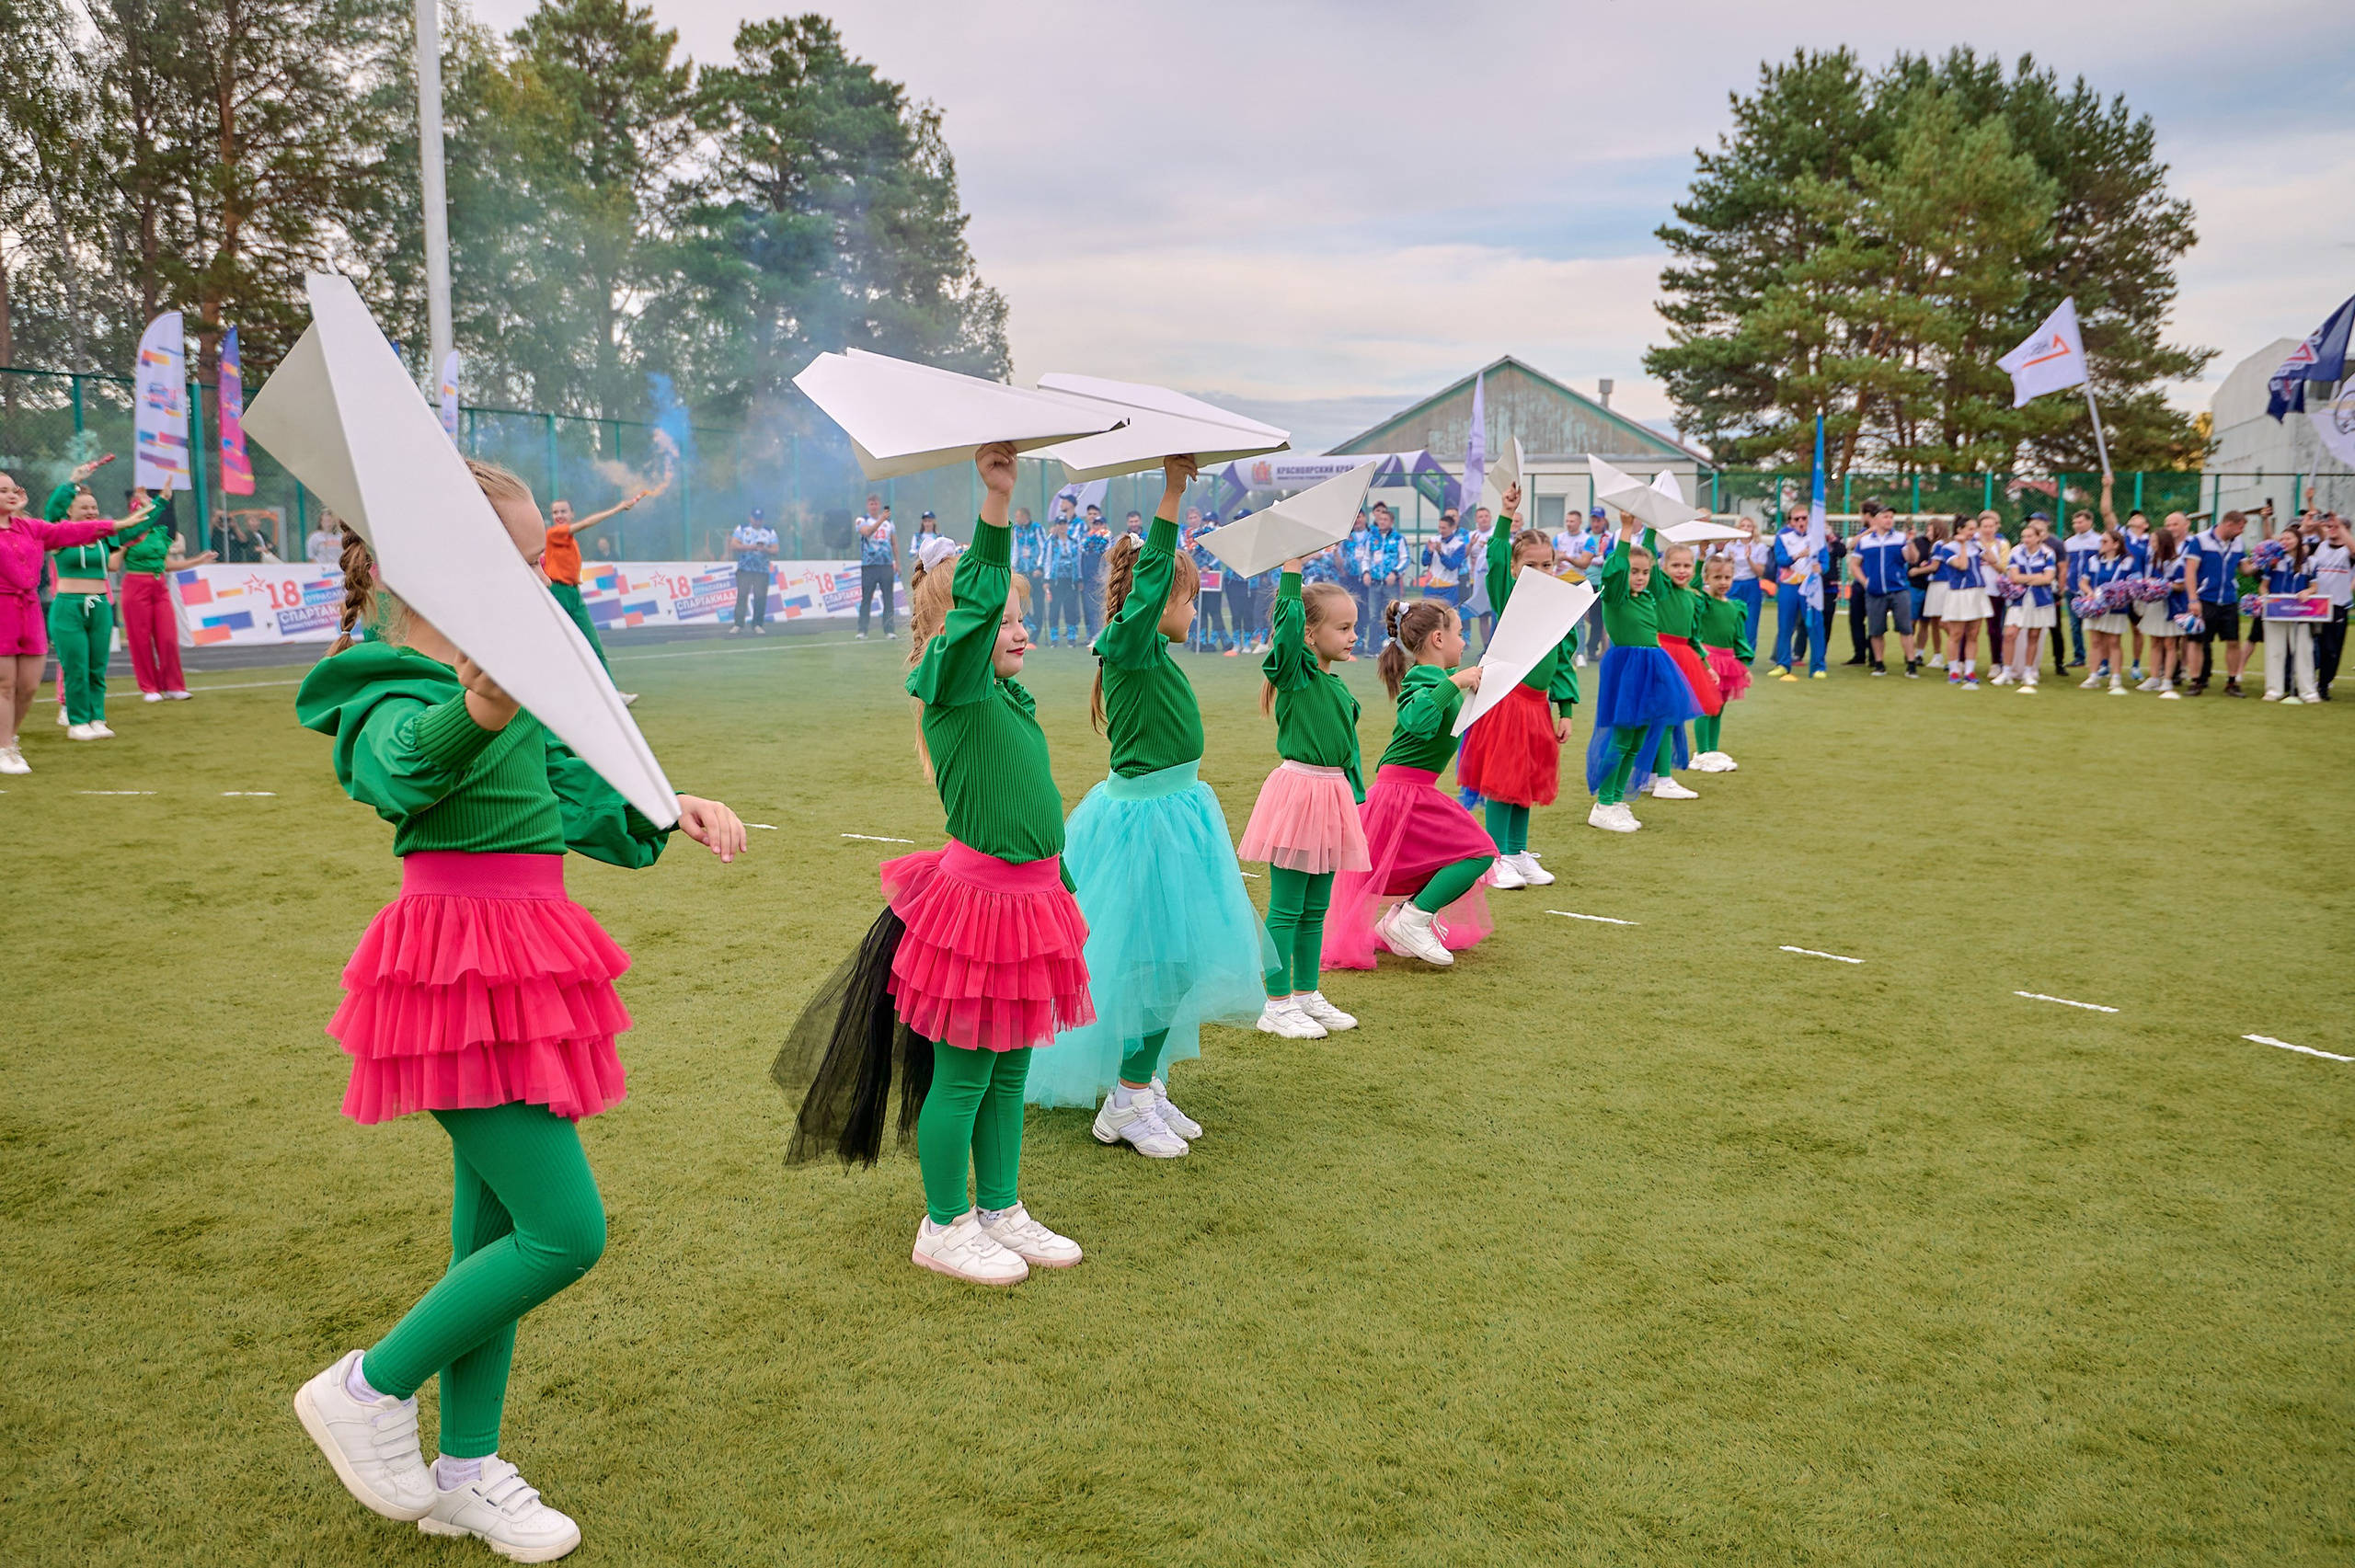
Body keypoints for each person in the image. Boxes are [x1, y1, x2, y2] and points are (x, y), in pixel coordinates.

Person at [291, 459, 745, 1562]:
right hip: (453, 964)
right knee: (563, 1230)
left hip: (530, 953)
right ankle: (366, 1387)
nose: (537, 571)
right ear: (430, 563)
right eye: (517, 553)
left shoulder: (525, 667)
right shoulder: (380, 674)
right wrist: (480, 702)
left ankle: (465, 1469)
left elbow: (580, 791)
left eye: (540, 552)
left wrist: (662, 802)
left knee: (491, 1232)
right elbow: (400, 769)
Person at [775, 442, 1089, 1288]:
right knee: (964, 1071)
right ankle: (943, 1222)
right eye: (1004, 618)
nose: (1019, 627)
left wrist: (1058, 879)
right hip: (978, 907)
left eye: (1024, 617)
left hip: (1029, 902)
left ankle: (1000, 1207)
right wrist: (995, 503)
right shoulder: (948, 684)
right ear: (960, 629)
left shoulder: (1007, 694)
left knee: (1011, 1064)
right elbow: (979, 599)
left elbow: (1030, 802)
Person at [1028, 458, 1271, 1150]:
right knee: (1160, 962)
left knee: (1177, 958)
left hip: (1177, 814)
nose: (1193, 611)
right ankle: (1128, 1100)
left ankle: (1144, 1080)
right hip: (1147, 825)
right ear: (1156, 600)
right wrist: (1170, 495)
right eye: (1187, 599)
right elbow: (1154, 573)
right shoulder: (1130, 648)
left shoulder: (1152, 655)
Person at [1321, 600, 1491, 969]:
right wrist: (1457, 682)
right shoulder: (1423, 678)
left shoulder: (1436, 680)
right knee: (1479, 852)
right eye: (1460, 634)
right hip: (1403, 790)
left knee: (1452, 857)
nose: (1465, 643)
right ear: (1438, 638)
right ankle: (1413, 919)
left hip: (1415, 788)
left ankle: (1400, 919)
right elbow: (1416, 718)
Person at [1238, 562, 1365, 1039]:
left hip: (1331, 796)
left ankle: (1307, 993)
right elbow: (1285, 634)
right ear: (1309, 634)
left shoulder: (1335, 683)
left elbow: (1346, 753)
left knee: (1317, 906)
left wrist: (1351, 798)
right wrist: (1292, 571)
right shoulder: (1296, 673)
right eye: (1343, 627)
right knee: (1288, 906)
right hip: (1300, 794)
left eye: (1354, 626)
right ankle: (1275, 1002)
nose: (1354, 635)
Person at [1454, 483, 1577, 887]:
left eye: (1549, 565)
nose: (1542, 573)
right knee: (1502, 782)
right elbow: (1495, 554)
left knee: (1525, 782)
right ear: (1514, 568)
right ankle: (1496, 857)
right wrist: (1505, 514)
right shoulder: (1508, 594)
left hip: (1537, 707)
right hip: (1506, 702)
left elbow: (1562, 665)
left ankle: (1518, 851)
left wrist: (1566, 711)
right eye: (1532, 565)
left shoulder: (1562, 607)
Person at [0, 470, 131, 773]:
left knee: (29, 686)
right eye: (2, 490)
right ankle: (5, 747)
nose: (10, 493)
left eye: (13, 489)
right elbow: (57, 513)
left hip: (29, 609)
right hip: (3, 608)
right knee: (5, 684)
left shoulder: (30, 528)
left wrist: (119, 524)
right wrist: (71, 482)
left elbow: (72, 532)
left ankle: (9, 738)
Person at [1584, 515, 1703, 830]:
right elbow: (1615, 570)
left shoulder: (1649, 596)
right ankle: (1603, 804)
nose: (1639, 577)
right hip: (1629, 671)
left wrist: (1652, 527)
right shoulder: (1615, 596)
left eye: (1645, 572)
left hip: (1653, 668)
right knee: (1621, 738)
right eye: (1634, 572)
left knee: (1638, 740)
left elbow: (1656, 562)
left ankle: (1617, 798)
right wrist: (1625, 531)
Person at [41, 474, 154, 739]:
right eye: (84, 507)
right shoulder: (58, 534)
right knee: (76, 666)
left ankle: (97, 718)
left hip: (101, 605)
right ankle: (78, 722)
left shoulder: (104, 537)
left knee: (97, 666)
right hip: (69, 607)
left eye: (94, 507)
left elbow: (136, 528)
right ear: (69, 511)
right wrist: (71, 483)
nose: (91, 512)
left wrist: (158, 503)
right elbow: (52, 510)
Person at [117, 486, 214, 701]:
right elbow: (113, 564)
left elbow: (166, 564)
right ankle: (149, 688)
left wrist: (197, 560)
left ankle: (174, 685)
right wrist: (121, 544)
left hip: (159, 586)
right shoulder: (126, 534)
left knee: (168, 637)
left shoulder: (159, 533)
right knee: (140, 640)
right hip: (135, 587)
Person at [1643, 538, 1717, 802]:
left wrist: (1706, 665)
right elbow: (1648, 554)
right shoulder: (1661, 590)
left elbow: (1693, 637)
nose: (1682, 570)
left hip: (1684, 656)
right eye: (1675, 565)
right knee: (1663, 717)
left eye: (1687, 565)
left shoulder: (1692, 597)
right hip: (1662, 653)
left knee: (1667, 718)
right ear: (1664, 568)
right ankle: (1662, 778)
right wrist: (1650, 530)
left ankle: (1653, 776)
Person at [1691, 555, 1752, 768]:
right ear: (1707, 577)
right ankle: (1701, 752)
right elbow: (1694, 587)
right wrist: (1700, 557)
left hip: (1728, 662)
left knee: (1718, 708)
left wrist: (1743, 665)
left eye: (1727, 577)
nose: (1723, 582)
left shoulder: (1736, 607)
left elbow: (1740, 638)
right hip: (1709, 660)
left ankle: (1712, 750)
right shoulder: (1704, 602)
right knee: (1706, 706)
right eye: (1717, 577)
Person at [2244, 532, 2321, 703]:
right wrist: (2266, 598)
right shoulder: (2273, 562)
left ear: (2299, 540)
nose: (2285, 542)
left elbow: (2314, 586)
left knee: (2303, 651)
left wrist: (2307, 592)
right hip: (2275, 612)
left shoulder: (2310, 562)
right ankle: (2274, 690)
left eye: (2289, 538)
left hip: (2300, 612)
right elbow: (2264, 586)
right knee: (2274, 651)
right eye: (2282, 539)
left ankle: (2308, 691)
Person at [2183, 509, 2249, 696]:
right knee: (2197, 642)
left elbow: (2245, 569)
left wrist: (2264, 559)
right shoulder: (2200, 540)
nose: (2241, 532)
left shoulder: (2238, 543)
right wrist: (2193, 599)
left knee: (2233, 641)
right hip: (2205, 599)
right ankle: (2195, 681)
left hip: (2229, 599)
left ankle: (2232, 682)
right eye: (2240, 528)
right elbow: (2190, 571)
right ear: (2229, 524)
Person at [1849, 501, 1916, 677]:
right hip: (1874, 591)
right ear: (1876, 519)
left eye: (1891, 517)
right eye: (1885, 516)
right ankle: (1879, 663)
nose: (1889, 520)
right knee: (1876, 630)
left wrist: (1910, 542)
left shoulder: (1900, 538)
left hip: (1898, 589)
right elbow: (1854, 564)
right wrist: (1865, 582)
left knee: (1905, 629)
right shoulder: (1864, 542)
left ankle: (1911, 663)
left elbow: (1912, 558)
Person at [1996, 519, 2059, 691]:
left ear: (2039, 538)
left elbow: (2049, 578)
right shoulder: (2016, 552)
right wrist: (2036, 578)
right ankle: (2007, 672)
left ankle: (2028, 672)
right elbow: (2014, 577)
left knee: (2034, 635)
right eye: (2024, 536)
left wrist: (2029, 579)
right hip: (2019, 599)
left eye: (2029, 536)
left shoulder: (2048, 553)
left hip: (2041, 600)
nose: (2025, 539)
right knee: (2010, 633)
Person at [2073, 528, 2135, 695]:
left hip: (2116, 607)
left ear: (2116, 544)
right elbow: (2083, 582)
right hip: (2096, 605)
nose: (2101, 544)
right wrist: (2090, 593)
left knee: (2114, 641)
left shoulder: (2126, 561)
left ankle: (2115, 677)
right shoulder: (2094, 560)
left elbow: (2133, 583)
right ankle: (2093, 675)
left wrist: (2118, 594)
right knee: (2095, 640)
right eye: (2101, 541)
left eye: (2105, 541)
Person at [1771, 512, 1828, 677]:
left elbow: (1825, 562)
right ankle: (1782, 664)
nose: (1801, 522)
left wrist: (1821, 568)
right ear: (1791, 521)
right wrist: (1798, 555)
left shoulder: (1817, 538)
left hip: (1810, 587)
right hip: (1789, 586)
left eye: (1804, 518)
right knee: (1785, 625)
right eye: (1797, 519)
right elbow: (1781, 560)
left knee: (1815, 625)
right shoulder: (1783, 537)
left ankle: (1818, 667)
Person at [1936, 517, 1991, 688]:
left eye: (1975, 529)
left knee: (1973, 634)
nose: (1973, 532)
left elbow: (1993, 559)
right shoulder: (1947, 548)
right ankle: (1954, 670)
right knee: (1956, 634)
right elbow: (1962, 565)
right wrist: (1963, 546)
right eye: (1970, 529)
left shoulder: (1976, 545)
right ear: (1959, 530)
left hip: (1977, 592)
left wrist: (1981, 541)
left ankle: (1969, 671)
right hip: (1959, 594)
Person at [2140, 524, 2190, 697]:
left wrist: (2164, 586)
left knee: (2170, 644)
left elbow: (2181, 585)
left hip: (2172, 606)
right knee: (2154, 642)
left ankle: (2167, 679)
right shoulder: (2152, 559)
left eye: (2154, 540)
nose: (2151, 543)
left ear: (2163, 542)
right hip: (2155, 605)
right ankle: (2154, 677)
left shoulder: (2178, 562)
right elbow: (2147, 580)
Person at [2309, 513, 2350, 699]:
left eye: (2336, 526)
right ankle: (2302, 681)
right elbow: (2316, 528)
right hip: (2316, 604)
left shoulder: (2348, 551)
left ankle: (2324, 685)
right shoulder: (2320, 547)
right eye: (2330, 526)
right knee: (2310, 645)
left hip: (2337, 605)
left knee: (2331, 650)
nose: (2331, 529)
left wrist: (2339, 523)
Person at [728, 508, 778, 636]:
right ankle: (738, 624)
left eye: (760, 519)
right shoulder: (742, 529)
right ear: (751, 518)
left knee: (760, 597)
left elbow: (775, 550)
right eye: (755, 519)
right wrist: (751, 547)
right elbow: (733, 545)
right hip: (745, 569)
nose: (757, 522)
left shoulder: (769, 531)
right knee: (742, 596)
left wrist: (764, 549)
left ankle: (757, 624)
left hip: (762, 570)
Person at [1724, 514, 1768, 662]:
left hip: (1751, 584)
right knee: (1731, 621)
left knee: (1751, 623)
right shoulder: (1730, 546)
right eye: (1743, 526)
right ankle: (1730, 654)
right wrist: (1729, 561)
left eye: (1749, 526)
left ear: (1753, 529)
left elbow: (1760, 572)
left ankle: (1747, 658)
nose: (1746, 529)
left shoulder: (1760, 547)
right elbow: (1725, 569)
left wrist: (1749, 558)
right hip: (1734, 585)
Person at [855, 494, 897, 639]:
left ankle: (889, 630)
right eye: (871, 504)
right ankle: (862, 630)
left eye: (876, 504)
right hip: (869, 566)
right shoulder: (862, 520)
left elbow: (894, 542)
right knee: (866, 598)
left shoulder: (889, 523)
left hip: (886, 565)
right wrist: (881, 519)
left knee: (888, 599)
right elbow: (867, 532)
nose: (874, 506)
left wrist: (897, 562)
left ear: (879, 505)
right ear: (868, 505)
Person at [1365, 503, 1406, 641]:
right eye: (1380, 519)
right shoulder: (1371, 538)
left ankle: (1394, 644)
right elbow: (1366, 558)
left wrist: (1395, 573)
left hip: (1390, 584)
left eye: (1385, 520)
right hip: (1374, 583)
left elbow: (1405, 559)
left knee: (1392, 614)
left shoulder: (1398, 538)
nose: (1382, 522)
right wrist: (1365, 572)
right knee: (1373, 616)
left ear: (1392, 522)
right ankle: (1373, 647)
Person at [1045, 509, 1083, 647]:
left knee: (1070, 609)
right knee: (1054, 609)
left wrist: (1079, 579)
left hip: (1070, 581)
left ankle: (1071, 638)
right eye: (1059, 524)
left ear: (1067, 526)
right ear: (1056, 526)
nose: (1062, 526)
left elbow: (1078, 560)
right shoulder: (1052, 542)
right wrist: (1047, 580)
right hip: (1056, 581)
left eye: (1064, 524)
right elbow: (1048, 560)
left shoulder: (1074, 542)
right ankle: (1054, 639)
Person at [1421, 508, 1468, 613]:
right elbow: (1424, 562)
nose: (1441, 531)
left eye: (1444, 528)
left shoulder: (1459, 545)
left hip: (1449, 588)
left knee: (1448, 617)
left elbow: (1452, 565)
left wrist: (1441, 553)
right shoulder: (1433, 540)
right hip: (1431, 587)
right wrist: (1429, 552)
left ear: (1452, 528)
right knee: (1427, 616)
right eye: (1439, 527)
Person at [1010, 507, 1045, 642]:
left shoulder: (1037, 528)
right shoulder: (1017, 530)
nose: (1016, 519)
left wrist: (1040, 567)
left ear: (1025, 516)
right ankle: (1031, 624)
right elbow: (1015, 549)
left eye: (1018, 516)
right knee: (1020, 601)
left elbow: (1043, 548)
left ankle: (1037, 629)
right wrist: (1014, 565)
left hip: (1035, 573)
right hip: (1022, 572)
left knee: (1037, 602)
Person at [1078, 505, 1112, 644]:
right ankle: (1092, 635)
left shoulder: (1108, 538)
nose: (1098, 526)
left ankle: (1103, 634)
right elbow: (1081, 557)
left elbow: (1109, 559)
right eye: (1095, 524)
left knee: (1102, 607)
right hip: (1088, 578)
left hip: (1102, 580)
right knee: (1089, 607)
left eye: (1100, 523)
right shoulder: (1087, 538)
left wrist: (1104, 576)